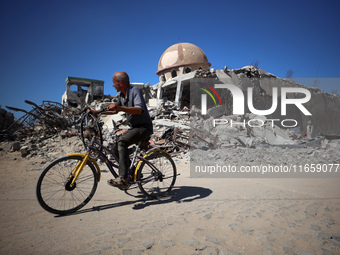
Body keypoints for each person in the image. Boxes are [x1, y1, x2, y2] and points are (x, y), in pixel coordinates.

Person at [91, 71, 153, 188]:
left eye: (114, 82)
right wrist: (97, 112)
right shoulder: (121, 96)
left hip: (144, 128)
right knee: (114, 148)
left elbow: (139, 110)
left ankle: (123, 178)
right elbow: (115, 110)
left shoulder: (135, 91)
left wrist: (119, 107)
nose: (113, 85)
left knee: (122, 142)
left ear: (120, 83)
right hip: (134, 127)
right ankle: (132, 172)